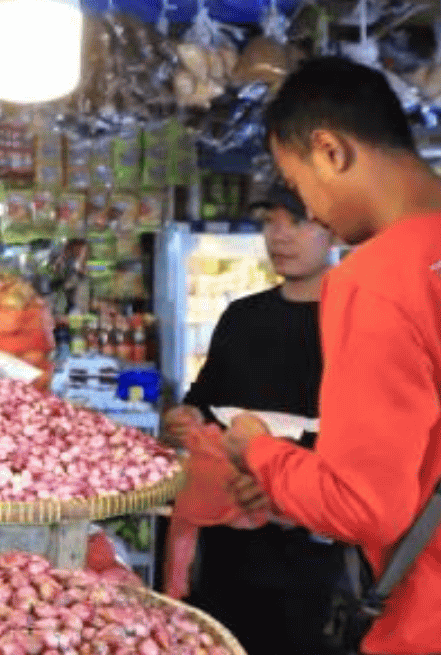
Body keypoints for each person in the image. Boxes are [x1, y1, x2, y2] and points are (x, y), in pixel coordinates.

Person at [223, 56, 441, 655]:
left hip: (440, 631)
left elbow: (363, 508)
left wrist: (257, 451)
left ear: (330, 151)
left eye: (299, 186)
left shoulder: (377, 280)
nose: (313, 211)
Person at [161, 179, 344, 655]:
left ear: (335, 230)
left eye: (297, 222)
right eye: (269, 222)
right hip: (224, 544)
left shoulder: (357, 323)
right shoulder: (242, 317)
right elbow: (205, 400)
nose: (279, 235)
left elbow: (367, 443)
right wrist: (183, 418)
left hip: (312, 557)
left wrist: (284, 481)